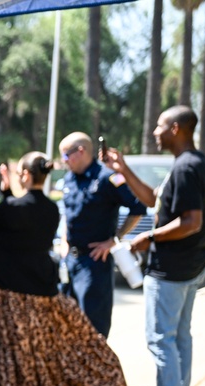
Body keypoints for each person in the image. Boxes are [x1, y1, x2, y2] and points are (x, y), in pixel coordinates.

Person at [0, 152, 126, 386]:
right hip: (42, 292)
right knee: (48, 353)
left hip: (6, 292)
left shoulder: (11, 208)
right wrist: (7, 189)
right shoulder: (50, 209)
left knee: (6, 352)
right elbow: (16, 212)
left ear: (24, 175)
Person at [102, 106, 205, 386]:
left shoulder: (187, 166)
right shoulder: (192, 163)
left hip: (172, 271)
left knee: (161, 340)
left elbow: (191, 223)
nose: (154, 131)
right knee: (179, 339)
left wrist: (148, 238)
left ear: (176, 129)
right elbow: (154, 200)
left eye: (160, 125)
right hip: (187, 267)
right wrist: (123, 168)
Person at [58, 132, 146, 338]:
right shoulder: (69, 178)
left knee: (92, 329)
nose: (64, 162)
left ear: (81, 151)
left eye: (66, 156)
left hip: (94, 262)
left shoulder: (108, 177)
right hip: (70, 260)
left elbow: (138, 208)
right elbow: (69, 216)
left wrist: (114, 240)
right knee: (67, 327)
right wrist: (64, 240)